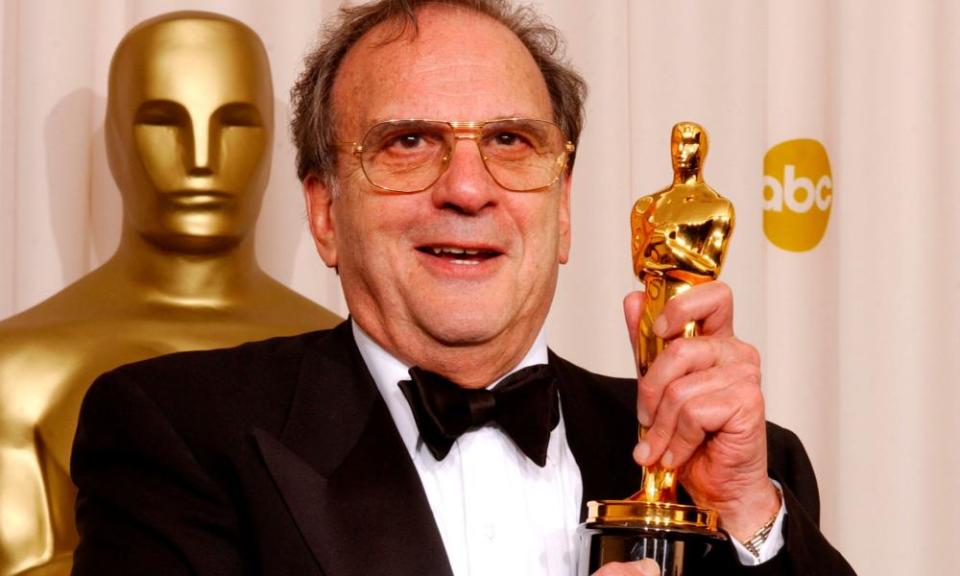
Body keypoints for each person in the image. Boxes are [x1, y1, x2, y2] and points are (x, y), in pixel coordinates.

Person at [69, 1, 855, 575]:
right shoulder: (178, 433)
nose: (470, 189)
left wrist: (751, 514)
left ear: (566, 206)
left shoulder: (740, 467)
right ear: (324, 213)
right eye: (410, 142)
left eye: (512, 141)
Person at [0, 12, 340, 576]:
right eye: (162, 122)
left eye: (235, 124)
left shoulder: (346, 363)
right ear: (111, 140)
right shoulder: (16, 368)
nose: (202, 158)